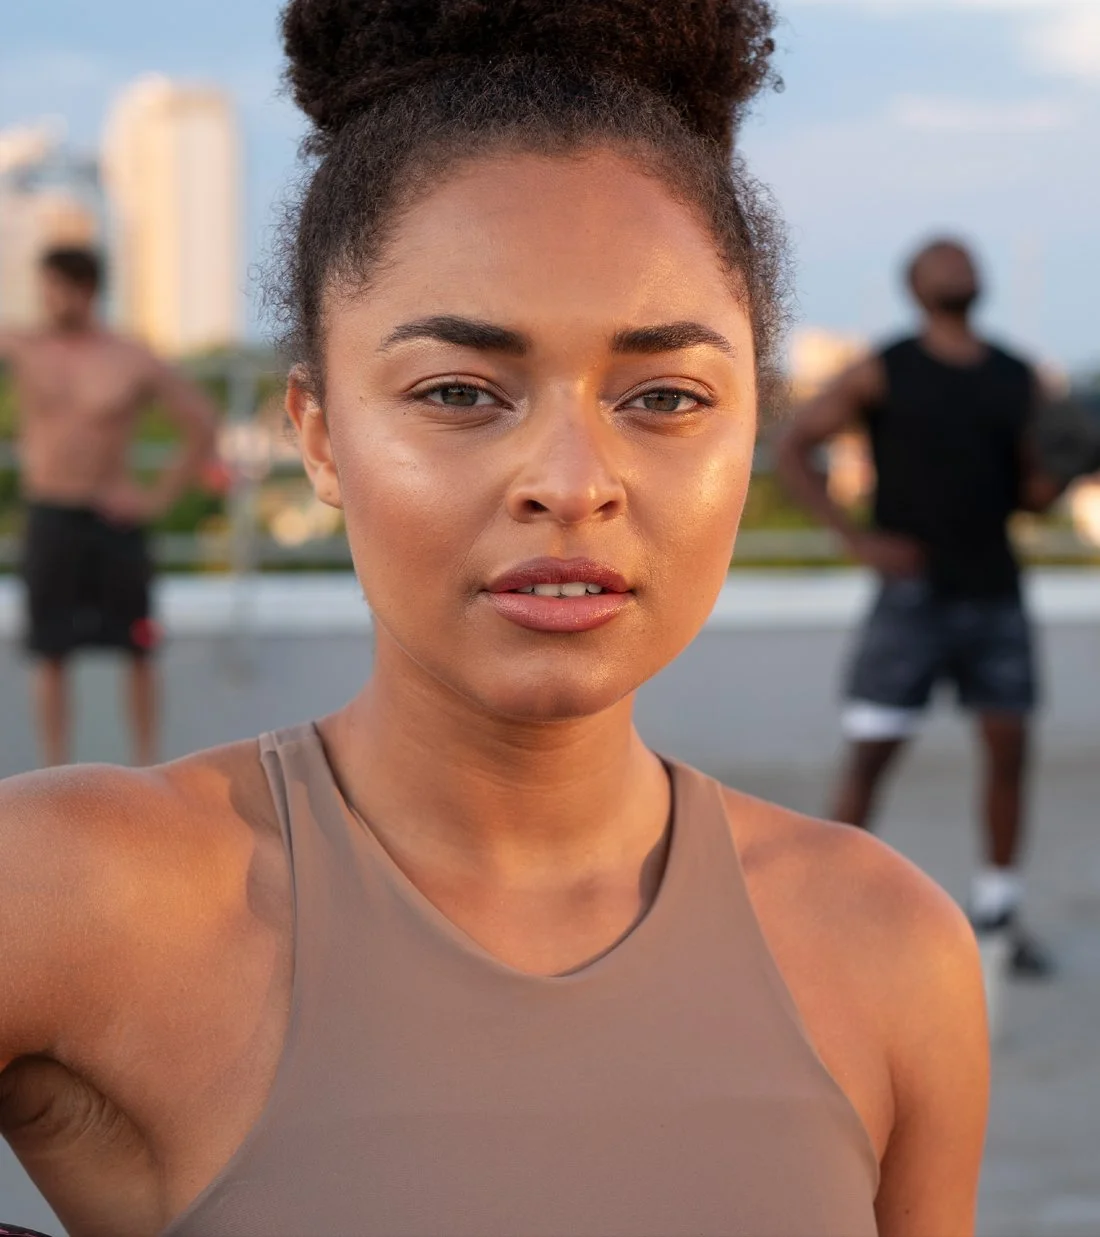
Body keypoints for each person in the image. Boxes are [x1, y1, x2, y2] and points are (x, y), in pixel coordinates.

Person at [0, 4, 988, 1235]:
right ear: (316, 435)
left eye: (667, 396)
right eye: (460, 391)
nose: (571, 481)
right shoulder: (75, 896)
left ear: (753, 428)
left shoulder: (890, 947)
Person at [777, 238, 1063, 978]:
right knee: (871, 755)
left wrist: (1066, 472)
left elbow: (1033, 488)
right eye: (942, 256)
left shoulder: (1016, 376)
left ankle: (998, 916)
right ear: (916, 283)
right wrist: (857, 541)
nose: (959, 262)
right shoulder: (885, 367)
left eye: (966, 255)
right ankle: (826, 911)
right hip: (911, 595)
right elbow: (794, 446)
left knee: (1008, 754)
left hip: (995, 587)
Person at [0, 246, 217, 767]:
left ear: (89, 290)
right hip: (50, 514)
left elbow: (201, 420)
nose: (51, 300)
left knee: (138, 648)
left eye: (61, 288)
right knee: (49, 650)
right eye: (45, 287)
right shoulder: (24, 346)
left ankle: (147, 769)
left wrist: (155, 496)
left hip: (113, 520)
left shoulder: (128, 357)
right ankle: (53, 774)